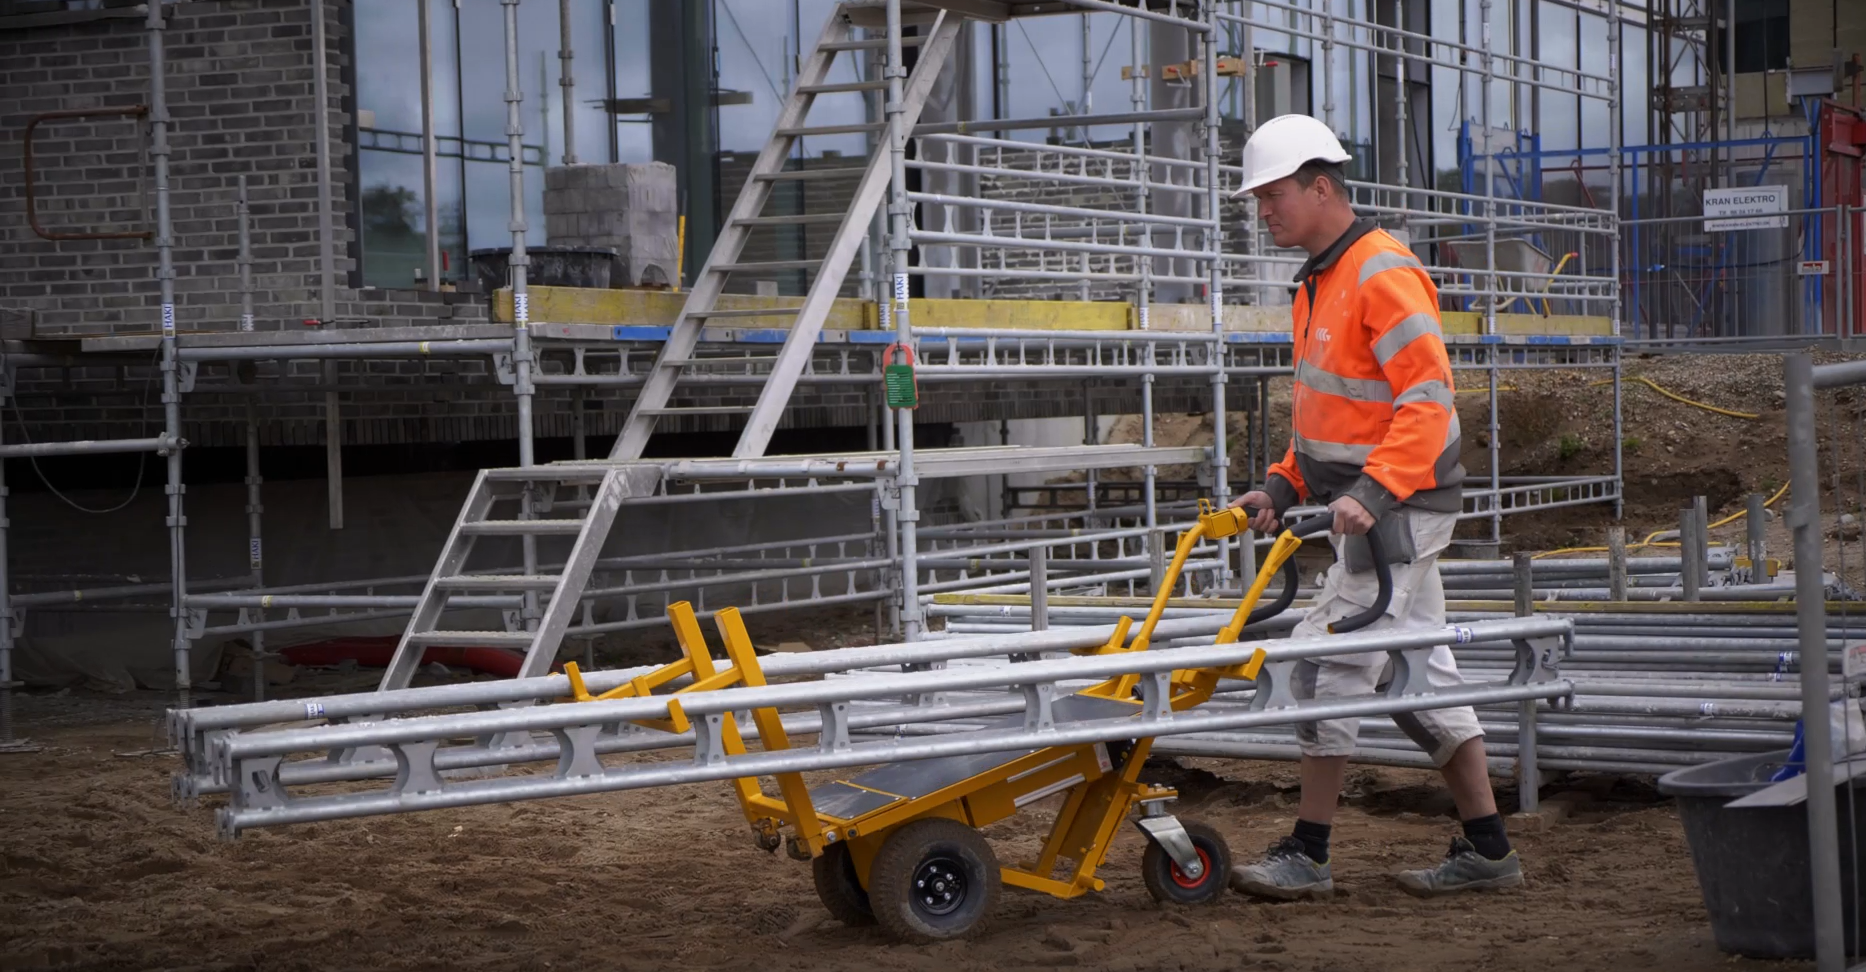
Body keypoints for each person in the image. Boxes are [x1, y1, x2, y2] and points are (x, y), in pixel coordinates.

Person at [1223, 114, 1523, 900]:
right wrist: (1284, 483)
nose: (1264, 212)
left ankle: (1310, 851)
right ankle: (1490, 848)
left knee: (1326, 660)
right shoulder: (1320, 278)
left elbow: (1427, 400)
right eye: (1258, 199)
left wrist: (1373, 491)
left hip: (1399, 505)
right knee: (1423, 673)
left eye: (1273, 195)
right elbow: (1326, 412)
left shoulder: (1381, 272)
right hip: (1368, 503)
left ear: (1321, 187)